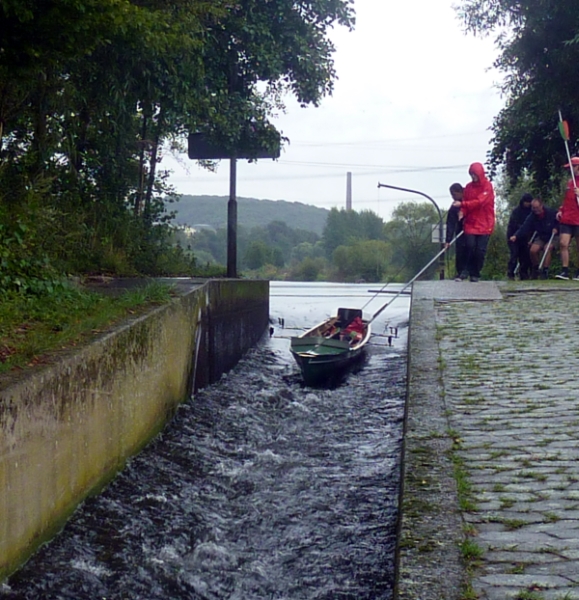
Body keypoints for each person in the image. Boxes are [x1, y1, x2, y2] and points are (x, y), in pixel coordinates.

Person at [452, 162, 495, 282]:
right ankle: (464, 271)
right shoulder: (469, 187)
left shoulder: (487, 187)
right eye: (471, 175)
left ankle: (475, 272)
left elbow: (479, 202)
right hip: (471, 222)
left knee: (480, 250)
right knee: (469, 246)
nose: (473, 177)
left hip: (485, 223)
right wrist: (462, 212)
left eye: (475, 174)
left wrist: (462, 204)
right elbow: (467, 203)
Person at [509, 198, 558, 279]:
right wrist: (516, 236)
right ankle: (536, 268)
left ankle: (545, 271)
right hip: (542, 235)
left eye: (537, 208)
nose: (535, 210)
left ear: (541, 206)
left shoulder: (551, 212)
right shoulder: (532, 216)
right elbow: (525, 227)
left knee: (547, 248)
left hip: (554, 235)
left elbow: (560, 221)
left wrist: (557, 228)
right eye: (533, 208)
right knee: (533, 250)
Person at [555, 156, 579, 280]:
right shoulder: (570, 183)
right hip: (567, 218)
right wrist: (560, 210)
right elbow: (566, 201)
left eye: (573, 167)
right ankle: (565, 270)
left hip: (578, 219)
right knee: (563, 243)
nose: (571, 170)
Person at [506, 193, 533, 280]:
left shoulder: (531, 212)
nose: (528, 204)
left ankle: (523, 273)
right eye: (526, 202)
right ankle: (510, 272)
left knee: (525, 256)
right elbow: (513, 224)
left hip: (525, 237)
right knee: (514, 255)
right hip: (513, 236)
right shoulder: (516, 212)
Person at [445, 183, 467, 281]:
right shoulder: (454, 207)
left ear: (460, 192)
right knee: (460, 251)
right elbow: (450, 223)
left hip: (472, 228)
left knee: (471, 249)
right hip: (460, 232)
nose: (453, 197)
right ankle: (460, 272)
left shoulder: (469, 199)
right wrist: (448, 240)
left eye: (454, 195)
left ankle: (469, 271)